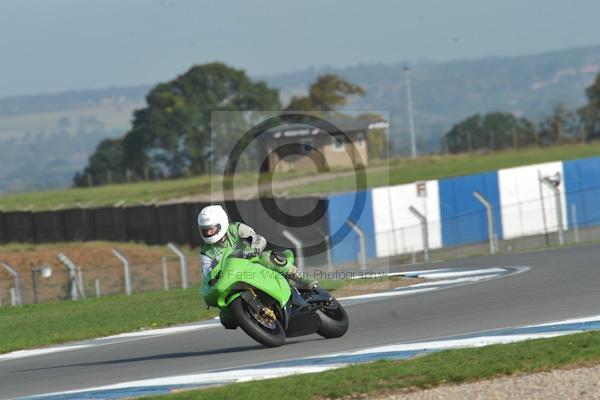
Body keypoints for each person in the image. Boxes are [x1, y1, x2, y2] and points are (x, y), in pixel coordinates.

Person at [198, 205, 316, 289]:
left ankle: (302, 279)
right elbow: (207, 276)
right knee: (226, 318)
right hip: (231, 278)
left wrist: (252, 250)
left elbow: (258, 239)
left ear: (221, 223)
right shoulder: (206, 252)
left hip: (252, 263)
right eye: (205, 230)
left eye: (211, 229)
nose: (208, 233)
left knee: (266, 257)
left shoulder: (236, 229)